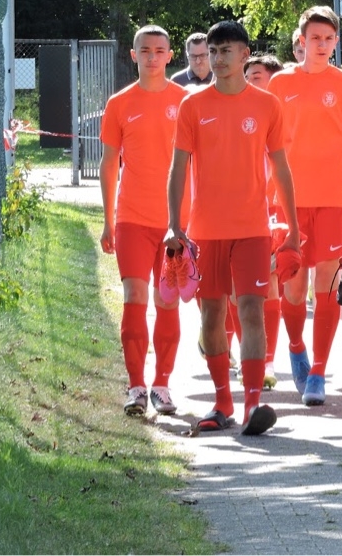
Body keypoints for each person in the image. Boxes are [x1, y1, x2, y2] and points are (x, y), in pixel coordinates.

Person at [166, 20, 300, 435]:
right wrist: (174, 226)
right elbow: (177, 169)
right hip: (205, 230)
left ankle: (253, 403)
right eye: (213, 51)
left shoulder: (267, 104)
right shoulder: (192, 106)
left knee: (251, 309)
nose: (218, 58)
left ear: (245, 55)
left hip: (253, 229)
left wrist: (294, 228)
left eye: (226, 51)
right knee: (211, 314)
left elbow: (281, 168)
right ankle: (222, 402)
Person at [267, 6, 342, 406]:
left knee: (326, 284)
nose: (322, 45)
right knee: (293, 287)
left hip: (332, 200)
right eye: (315, 38)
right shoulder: (280, 83)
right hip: (288, 201)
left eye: (328, 39)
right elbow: (266, 144)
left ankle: (318, 372)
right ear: (301, 41)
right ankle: (296, 347)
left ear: (336, 42)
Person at [99, 25, 188, 417]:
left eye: (159, 50)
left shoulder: (185, 102)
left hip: (174, 223)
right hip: (132, 219)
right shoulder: (119, 103)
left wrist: (191, 221)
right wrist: (108, 221)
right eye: (145, 51)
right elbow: (108, 164)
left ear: (170, 55)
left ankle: (161, 385)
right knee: (134, 297)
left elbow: (199, 164)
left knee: (166, 300)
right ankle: (136, 386)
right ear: (133, 55)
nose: (153, 57)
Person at [244, 53, 286, 389]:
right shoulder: (239, 109)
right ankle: (241, 348)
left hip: (276, 209)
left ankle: (267, 359)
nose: (249, 82)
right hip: (241, 209)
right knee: (236, 290)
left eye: (256, 76)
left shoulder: (284, 111)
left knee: (271, 283)